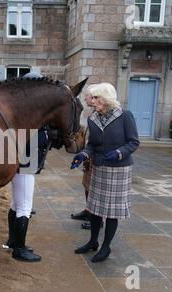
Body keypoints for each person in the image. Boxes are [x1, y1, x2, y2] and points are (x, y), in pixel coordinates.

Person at [70, 82, 139, 263]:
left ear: (107, 98)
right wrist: (83, 154)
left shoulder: (125, 116)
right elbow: (92, 145)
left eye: (96, 97)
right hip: (99, 167)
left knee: (112, 211)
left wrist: (118, 153)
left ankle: (106, 246)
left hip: (119, 170)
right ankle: (93, 241)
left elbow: (133, 142)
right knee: (95, 208)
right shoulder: (93, 118)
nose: (93, 101)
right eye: (92, 98)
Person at [5, 125, 51, 262]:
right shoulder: (33, 127)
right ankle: (19, 249)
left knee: (15, 205)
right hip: (25, 169)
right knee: (24, 208)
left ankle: (13, 241)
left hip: (21, 168)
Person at [70, 84, 103, 230]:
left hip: (97, 157)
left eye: (88, 96)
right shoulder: (93, 113)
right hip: (88, 155)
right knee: (87, 184)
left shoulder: (102, 113)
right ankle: (89, 211)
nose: (86, 98)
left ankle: (97, 218)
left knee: (95, 188)